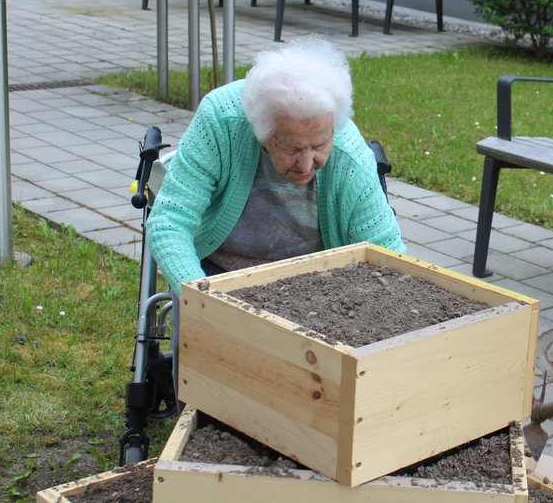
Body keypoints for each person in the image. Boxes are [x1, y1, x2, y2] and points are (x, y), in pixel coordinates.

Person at [146, 36, 406, 400]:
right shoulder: (222, 120)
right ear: (262, 133)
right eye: (291, 147)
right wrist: (205, 300)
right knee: (211, 375)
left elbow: (388, 254)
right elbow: (169, 221)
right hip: (219, 278)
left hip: (315, 286)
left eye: (320, 145)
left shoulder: (350, 157)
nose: (307, 164)